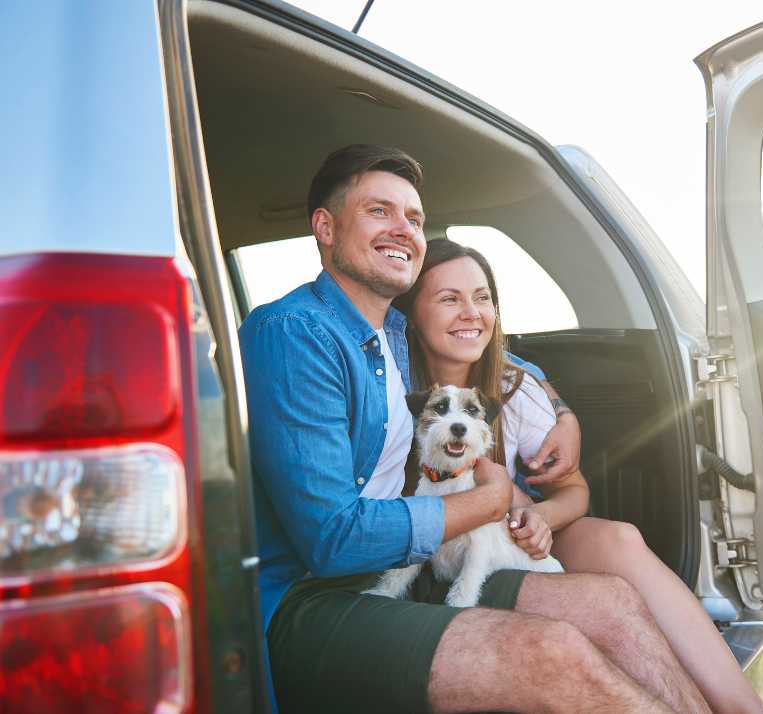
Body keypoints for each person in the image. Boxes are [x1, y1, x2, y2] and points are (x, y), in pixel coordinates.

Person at [239, 144, 711, 713]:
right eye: (379, 211)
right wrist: (489, 502)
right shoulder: (296, 333)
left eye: (413, 218)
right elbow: (333, 538)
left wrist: (561, 408)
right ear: (326, 226)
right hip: (317, 594)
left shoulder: (394, 333)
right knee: (551, 651)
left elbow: (486, 355)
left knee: (612, 603)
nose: (403, 229)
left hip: (410, 565)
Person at [394, 237, 763, 714]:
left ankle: (743, 706)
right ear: (410, 315)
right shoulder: (392, 389)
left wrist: (542, 518)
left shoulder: (514, 388)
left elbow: (574, 491)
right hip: (435, 550)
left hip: (511, 539)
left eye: (482, 297)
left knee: (618, 539)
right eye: (449, 299)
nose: (471, 312)